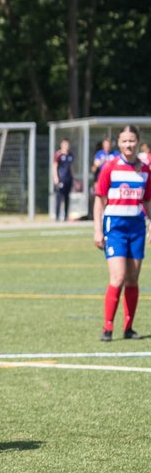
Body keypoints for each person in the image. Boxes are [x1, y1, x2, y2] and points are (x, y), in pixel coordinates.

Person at [92, 125, 151, 342]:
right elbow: (99, 200)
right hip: (115, 228)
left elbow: (147, 200)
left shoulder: (145, 170)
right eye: (124, 141)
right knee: (117, 277)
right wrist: (97, 229)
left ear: (138, 142)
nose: (129, 145)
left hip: (136, 227)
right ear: (119, 143)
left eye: (132, 140)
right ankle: (108, 328)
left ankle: (129, 327)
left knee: (133, 278)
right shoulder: (110, 167)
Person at [52, 139, 75, 222]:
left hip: (68, 179)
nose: (66, 146)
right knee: (59, 197)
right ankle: (57, 216)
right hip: (61, 178)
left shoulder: (70, 155)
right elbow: (54, 166)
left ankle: (65, 216)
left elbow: (71, 167)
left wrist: (74, 179)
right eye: (65, 144)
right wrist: (55, 177)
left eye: (67, 144)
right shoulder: (58, 154)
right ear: (61, 145)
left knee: (67, 198)